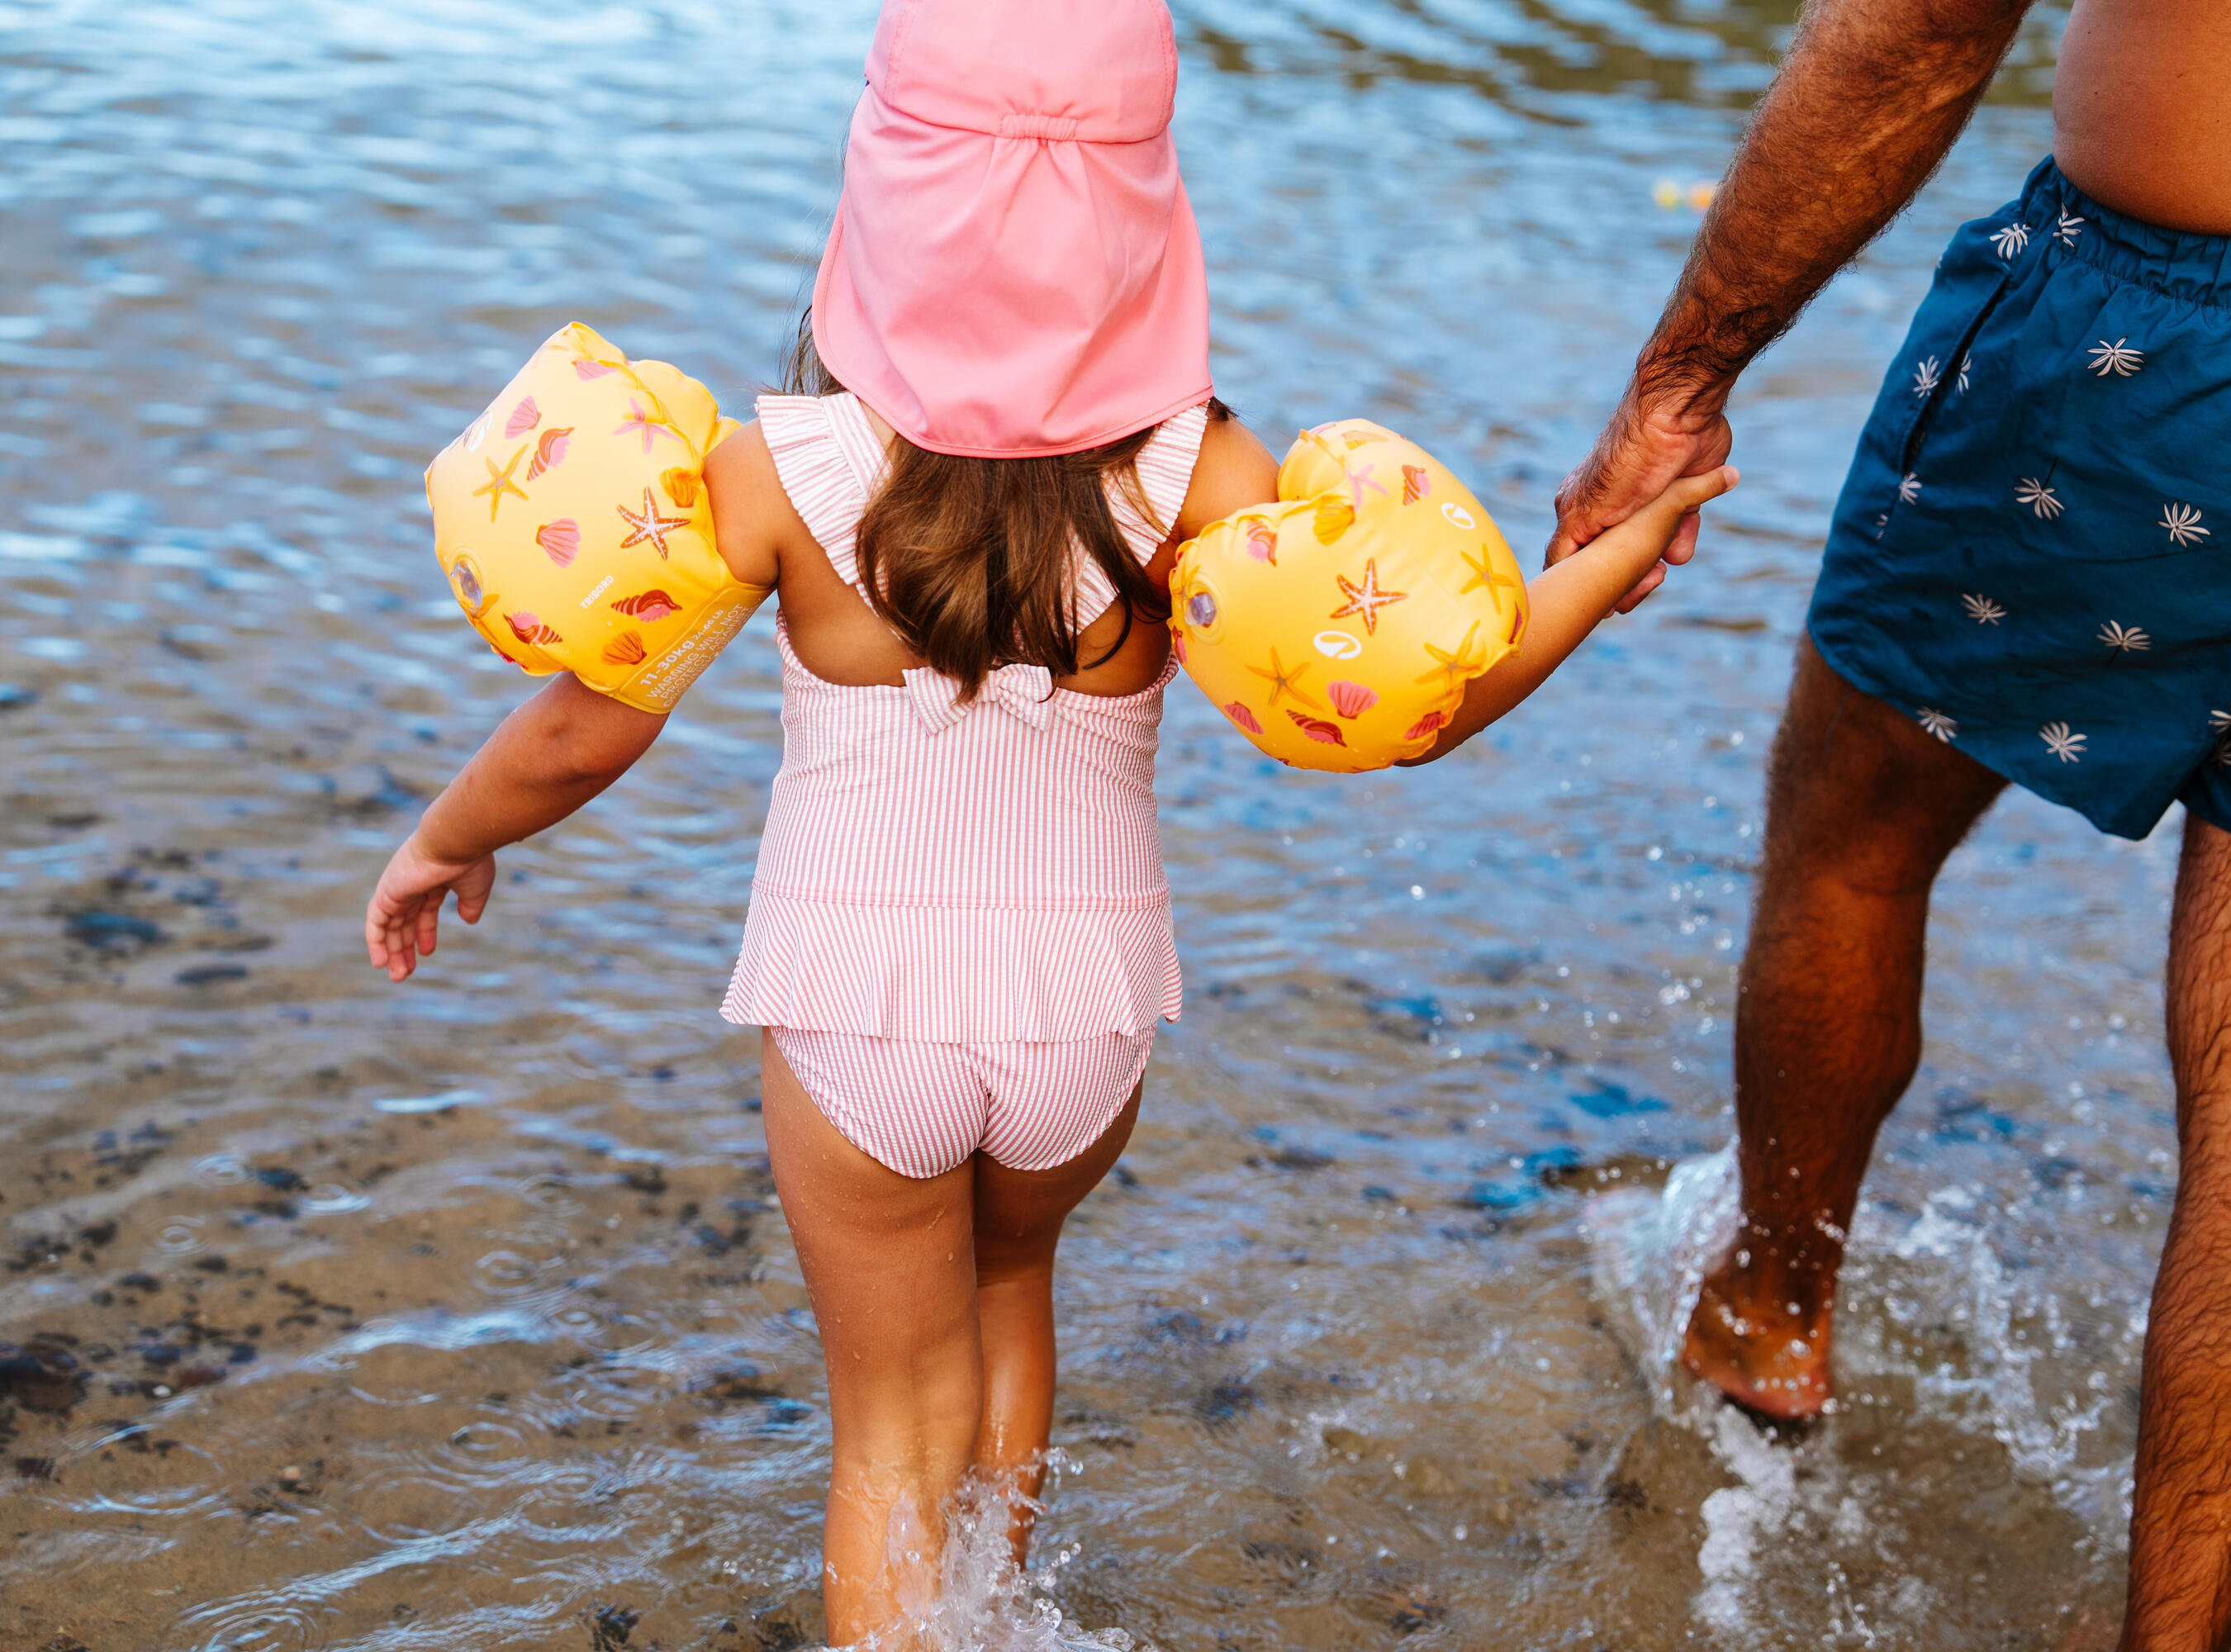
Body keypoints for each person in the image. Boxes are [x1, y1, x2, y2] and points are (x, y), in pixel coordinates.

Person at [364, 0, 1733, 1639]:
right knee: (1011, 1289)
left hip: (860, 1011)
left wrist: (445, 838)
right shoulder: (1195, 475)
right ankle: (999, 1616)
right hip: (1086, 1020)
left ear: (887, 198)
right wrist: (1614, 550)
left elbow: (586, 730)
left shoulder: (781, 468)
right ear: (1140, 226)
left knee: (890, 1429)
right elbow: (1433, 690)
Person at [1550, 0, 2231, 1645]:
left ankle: (1766, 1319)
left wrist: (1683, 373)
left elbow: (1915, 35)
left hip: (2175, 340)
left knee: (1851, 843)